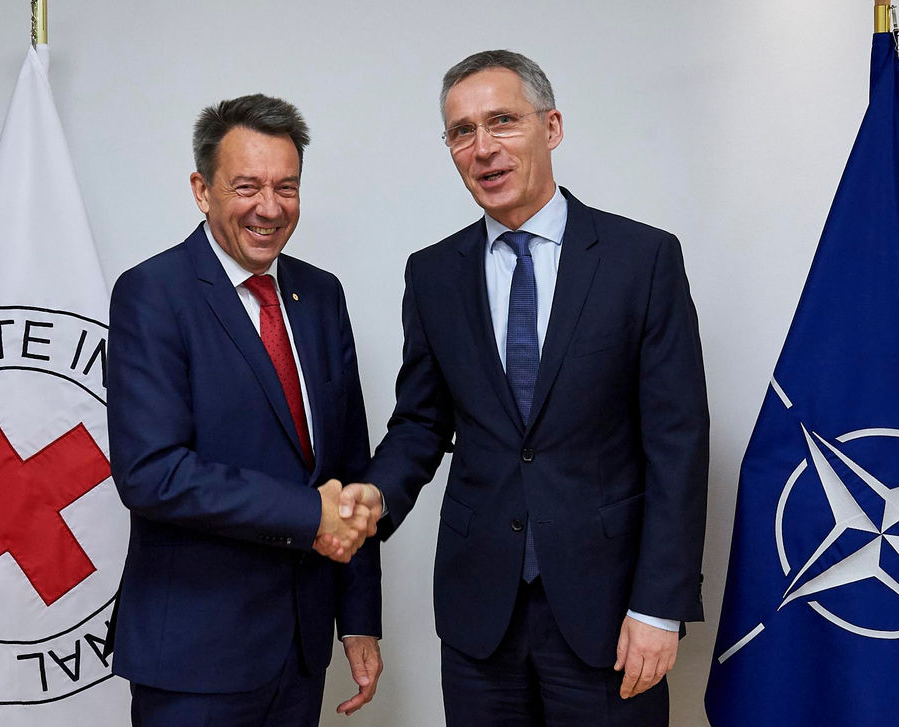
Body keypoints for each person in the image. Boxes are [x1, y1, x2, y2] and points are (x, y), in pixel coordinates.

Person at [350, 50, 710, 725]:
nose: (482, 148)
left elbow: (678, 444)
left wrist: (659, 605)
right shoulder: (432, 274)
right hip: (478, 613)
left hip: (609, 613)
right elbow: (422, 423)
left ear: (552, 126)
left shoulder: (642, 260)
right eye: (462, 131)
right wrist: (370, 501)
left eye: (502, 122)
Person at [106, 94, 384, 727]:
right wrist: (308, 512)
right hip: (193, 660)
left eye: (287, 187)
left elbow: (347, 465)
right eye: (247, 186)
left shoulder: (320, 295)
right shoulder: (152, 294)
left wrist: (358, 620)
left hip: (299, 650)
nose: (270, 207)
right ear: (202, 190)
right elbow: (153, 473)